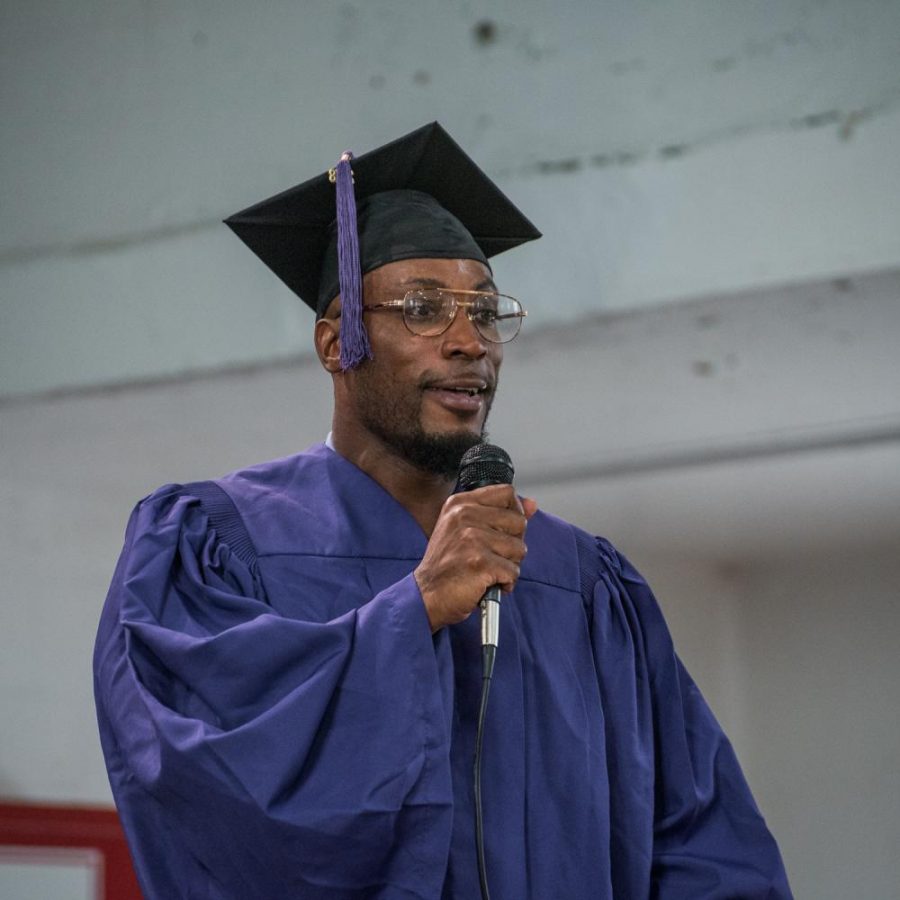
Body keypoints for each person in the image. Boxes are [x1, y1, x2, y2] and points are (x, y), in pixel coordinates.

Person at [94, 123, 792, 899]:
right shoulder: (215, 542)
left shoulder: (584, 583)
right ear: (337, 341)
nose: (470, 343)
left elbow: (699, 838)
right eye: (425, 309)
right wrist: (417, 608)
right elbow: (202, 782)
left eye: (487, 314)